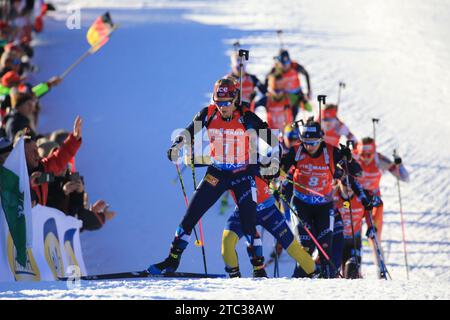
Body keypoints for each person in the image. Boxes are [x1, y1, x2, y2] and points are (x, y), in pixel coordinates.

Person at [148, 77, 280, 275]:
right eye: (219, 102)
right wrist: (177, 146)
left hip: (242, 173)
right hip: (217, 172)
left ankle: (258, 269)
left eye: (226, 103)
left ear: (235, 99)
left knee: (248, 222)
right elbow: (188, 132)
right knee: (191, 215)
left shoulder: (247, 117)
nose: (223, 107)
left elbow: (273, 141)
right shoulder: (208, 114)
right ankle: (171, 261)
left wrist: (273, 160)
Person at [280, 118, 372, 278]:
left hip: (324, 206)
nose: (309, 146)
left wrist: (348, 158)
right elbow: (280, 170)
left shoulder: (331, 152)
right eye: (306, 142)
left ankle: (324, 285)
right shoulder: (297, 151)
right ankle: (298, 282)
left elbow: (357, 172)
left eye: (313, 142)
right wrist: (274, 173)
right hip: (302, 204)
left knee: (325, 249)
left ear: (321, 139)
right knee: (305, 248)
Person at [222, 175, 315, 278]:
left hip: (268, 210)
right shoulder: (227, 164)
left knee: (293, 247)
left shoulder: (255, 160)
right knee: (227, 241)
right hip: (244, 211)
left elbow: (275, 166)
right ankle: (237, 280)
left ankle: (316, 275)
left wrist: (278, 174)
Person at [354, 137, 409, 242]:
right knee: (354, 233)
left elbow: (405, 177)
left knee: (375, 234)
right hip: (356, 199)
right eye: (362, 155)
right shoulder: (353, 157)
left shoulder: (379, 160)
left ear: (373, 152)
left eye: (368, 155)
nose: (365, 158)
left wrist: (399, 165)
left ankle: (375, 245)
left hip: (373, 200)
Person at [25, 116, 83, 206]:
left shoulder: (71, 175)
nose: (36, 154)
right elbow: (51, 206)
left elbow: (78, 212)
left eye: (36, 150)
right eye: (32, 151)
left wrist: (80, 192)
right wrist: (63, 192)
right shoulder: (46, 177)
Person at [266, 49, 312, 119]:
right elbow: (267, 78)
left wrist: (309, 91)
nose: (285, 66)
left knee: (308, 108)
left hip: (297, 94)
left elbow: (306, 74)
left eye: (287, 63)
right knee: (285, 115)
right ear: (279, 62)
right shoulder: (276, 68)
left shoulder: (295, 66)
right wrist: (267, 91)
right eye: (282, 64)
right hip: (284, 95)